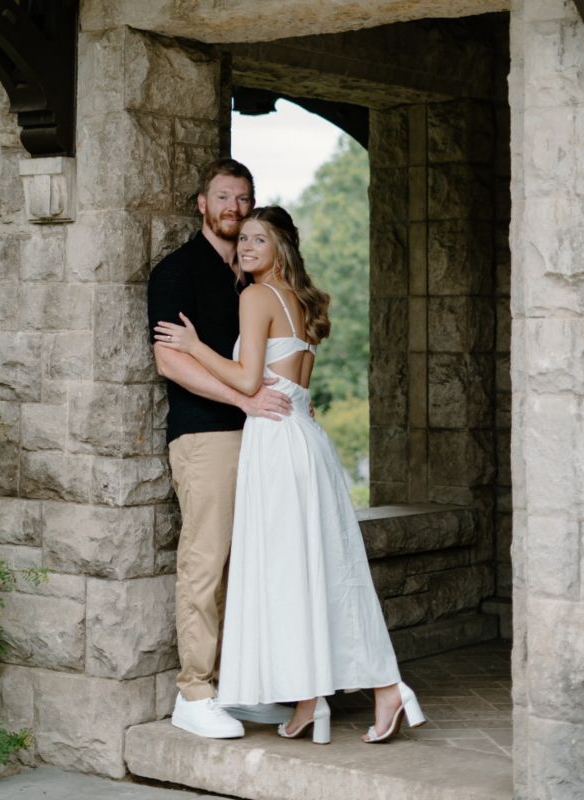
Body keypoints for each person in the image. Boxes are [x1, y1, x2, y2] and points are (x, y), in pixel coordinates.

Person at [154, 206, 426, 744]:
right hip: (307, 438)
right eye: (243, 239)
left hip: (276, 441)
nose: (246, 247)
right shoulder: (303, 301)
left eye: (259, 239)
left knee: (285, 570)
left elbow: (249, 380)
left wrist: (194, 346)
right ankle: (308, 701)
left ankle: (385, 686)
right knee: (319, 568)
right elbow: (298, 387)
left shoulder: (256, 297)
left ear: (281, 247)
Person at [147, 161, 294, 739]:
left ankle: (240, 687)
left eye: (244, 198)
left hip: (263, 435)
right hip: (206, 435)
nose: (235, 207)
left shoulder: (255, 276)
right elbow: (170, 361)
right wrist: (244, 401)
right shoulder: (176, 272)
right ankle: (195, 693)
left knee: (249, 565)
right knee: (205, 563)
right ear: (202, 204)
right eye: (225, 197)